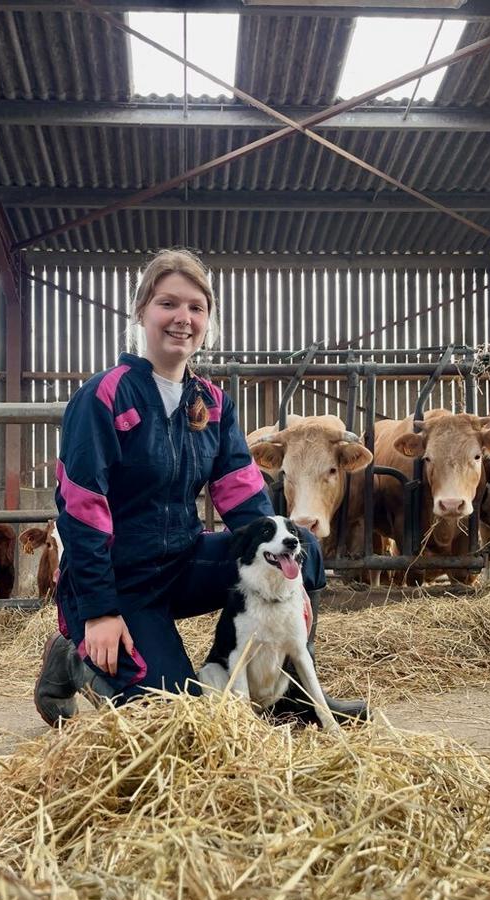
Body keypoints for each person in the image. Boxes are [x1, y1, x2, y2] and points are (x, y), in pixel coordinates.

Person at [34, 248, 368, 727]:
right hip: (122, 581)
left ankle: (290, 690)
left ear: (208, 319)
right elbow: (81, 511)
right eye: (168, 303)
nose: (182, 318)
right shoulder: (105, 395)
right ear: (142, 311)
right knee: (176, 718)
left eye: (196, 307)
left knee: (304, 547)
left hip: (184, 562)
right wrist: (100, 611)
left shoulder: (211, 403)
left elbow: (243, 498)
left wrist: (292, 585)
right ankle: (73, 654)